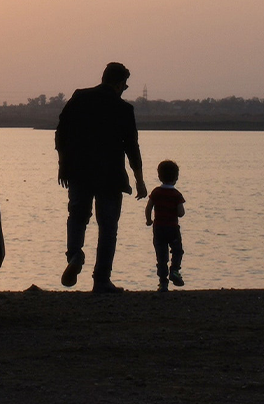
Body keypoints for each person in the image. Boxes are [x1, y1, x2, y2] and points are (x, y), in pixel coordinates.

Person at [54, 62, 146, 293]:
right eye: (124, 84)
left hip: (77, 171)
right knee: (108, 227)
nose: (125, 88)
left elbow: (61, 133)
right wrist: (139, 179)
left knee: (77, 217)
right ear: (117, 83)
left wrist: (62, 166)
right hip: (110, 175)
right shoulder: (124, 109)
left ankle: (75, 255)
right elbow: (131, 147)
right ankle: (101, 279)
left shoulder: (79, 98)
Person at [145, 160, 186, 292]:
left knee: (161, 256)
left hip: (159, 228)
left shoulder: (156, 192)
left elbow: (149, 207)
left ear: (159, 176)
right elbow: (181, 213)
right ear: (176, 178)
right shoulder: (176, 195)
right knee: (177, 250)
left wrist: (149, 220)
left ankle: (163, 282)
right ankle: (174, 270)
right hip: (173, 228)